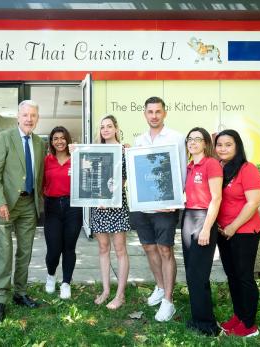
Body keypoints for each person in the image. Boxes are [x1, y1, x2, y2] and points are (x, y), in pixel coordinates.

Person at [0, 100, 46, 324]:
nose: (29, 119)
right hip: (6, 204)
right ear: (18, 117)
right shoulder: (5, 138)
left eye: (33, 115)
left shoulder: (40, 142)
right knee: (5, 250)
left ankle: (20, 293)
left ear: (37, 118)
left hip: (29, 204)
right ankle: (0, 297)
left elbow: (39, 174)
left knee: (25, 251)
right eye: (25, 115)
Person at [132, 96, 186, 322]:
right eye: (150, 112)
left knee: (165, 250)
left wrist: (174, 201)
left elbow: (181, 171)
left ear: (164, 113)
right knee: (148, 248)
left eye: (158, 111)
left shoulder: (177, 137)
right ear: (144, 114)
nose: (154, 115)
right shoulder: (139, 140)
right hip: (143, 206)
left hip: (166, 207)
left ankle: (169, 301)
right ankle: (161, 287)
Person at [214, 129, 260, 337]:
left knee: (244, 277)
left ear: (237, 147)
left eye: (228, 144)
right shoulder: (219, 168)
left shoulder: (247, 169)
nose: (223, 148)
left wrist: (233, 227)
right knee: (232, 275)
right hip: (223, 232)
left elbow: (254, 202)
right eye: (219, 144)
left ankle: (250, 325)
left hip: (243, 232)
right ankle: (239, 315)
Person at [181, 127, 223, 336]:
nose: (193, 142)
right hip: (188, 217)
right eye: (190, 139)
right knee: (191, 273)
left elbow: (216, 198)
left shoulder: (211, 164)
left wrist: (206, 228)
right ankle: (198, 318)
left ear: (206, 143)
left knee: (199, 274)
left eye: (198, 139)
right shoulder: (189, 166)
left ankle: (208, 325)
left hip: (203, 219)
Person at [90, 115, 130, 310]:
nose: (105, 129)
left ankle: (120, 294)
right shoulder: (94, 151)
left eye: (109, 126)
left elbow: (123, 180)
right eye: (102, 126)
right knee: (103, 248)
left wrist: (109, 197)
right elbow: (88, 178)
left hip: (116, 205)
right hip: (98, 206)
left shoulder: (124, 151)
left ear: (116, 128)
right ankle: (106, 290)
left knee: (120, 249)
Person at [43, 126, 83, 300]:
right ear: (51, 142)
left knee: (69, 247)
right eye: (55, 138)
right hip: (51, 207)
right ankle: (51, 275)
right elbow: (40, 182)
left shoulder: (77, 158)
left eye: (62, 138)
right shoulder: (46, 160)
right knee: (53, 249)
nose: (59, 141)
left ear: (68, 140)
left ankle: (66, 282)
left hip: (73, 206)